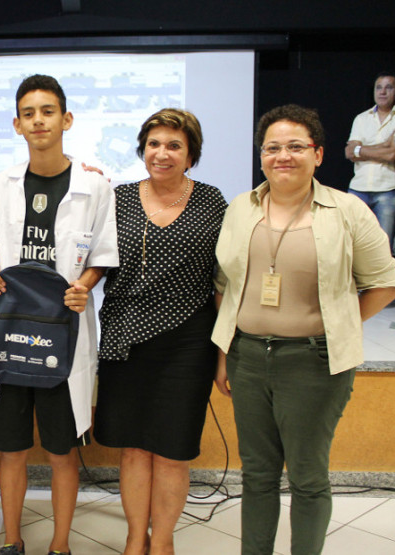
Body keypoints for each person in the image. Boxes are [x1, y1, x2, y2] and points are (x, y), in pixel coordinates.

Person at [213, 105, 395, 555]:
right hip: (249, 357)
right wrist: (224, 356)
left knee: (307, 477)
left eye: (296, 147)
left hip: (315, 362)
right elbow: (224, 286)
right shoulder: (242, 208)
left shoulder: (347, 210)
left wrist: (337, 324)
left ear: (317, 154)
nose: (283, 156)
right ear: (261, 157)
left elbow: (386, 283)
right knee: (256, 475)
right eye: (273, 148)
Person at [0, 74, 118, 555]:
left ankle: (59, 546)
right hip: (12, 328)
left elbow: (102, 253)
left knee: (61, 450)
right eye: (29, 113)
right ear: (16, 124)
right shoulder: (3, 184)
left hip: (63, 332)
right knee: (11, 449)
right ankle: (12, 541)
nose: (39, 121)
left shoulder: (95, 185)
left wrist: (84, 287)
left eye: (48, 111)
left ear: (66, 119)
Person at [93, 108, 226, 555]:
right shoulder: (118, 198)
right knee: (133, 447)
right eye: (154, 144)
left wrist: (226, 352)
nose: (162, 153)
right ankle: (135, 538)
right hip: (124, 335)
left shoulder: (212, 201)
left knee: (171, 449)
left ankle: (163, 541)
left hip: (188, 340)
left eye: (174, 145)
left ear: (191, 154)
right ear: (142, 149)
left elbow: (225, 280)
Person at [345, 71, 395, 244]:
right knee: (351, 244)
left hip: (388, 189)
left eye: (388, 87)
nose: (382, 92)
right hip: (358, 188)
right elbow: (348, 152)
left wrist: (360, 150)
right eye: (379, 88)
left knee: (382, 247)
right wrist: (384, 145)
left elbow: (392, 154)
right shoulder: (361, 118)